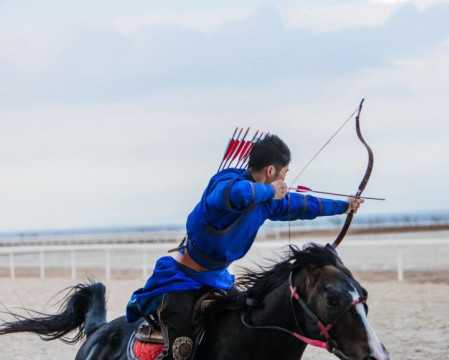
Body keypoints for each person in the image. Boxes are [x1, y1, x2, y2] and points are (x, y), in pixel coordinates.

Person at [126, 134, 364, 360]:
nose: (285, 179)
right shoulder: (226, 182)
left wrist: (344, 206)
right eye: (284, 172)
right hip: (180, 279)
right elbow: (233, 195)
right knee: (182, 349)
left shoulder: (267, 202)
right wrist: (271, 190)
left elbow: (304, 205)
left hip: (218, 280)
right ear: (270, 171)